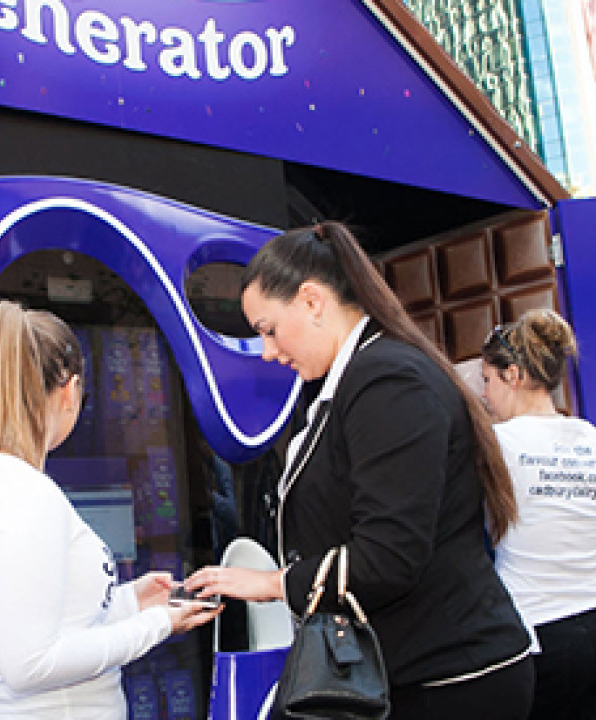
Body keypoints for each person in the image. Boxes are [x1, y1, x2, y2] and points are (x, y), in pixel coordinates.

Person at [184, 222, 534, 720]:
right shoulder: (359, 378)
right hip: (410, 672)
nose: (268, 351)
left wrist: (271, 583)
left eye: (268, 329)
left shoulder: (386, 379)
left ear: (312, 301)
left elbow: (388, 556)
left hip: (448, 680)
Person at [0, 301, 220, 720]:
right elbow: (30, 665)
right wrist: (159, 624)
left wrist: (130, 602)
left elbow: (45, 620)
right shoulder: (26, 495)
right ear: (70, 391)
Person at [480, 309, 596, 720]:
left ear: (513, 376)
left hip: (542, 642)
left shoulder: (495, 445)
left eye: (488, 381)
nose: (485, 396)